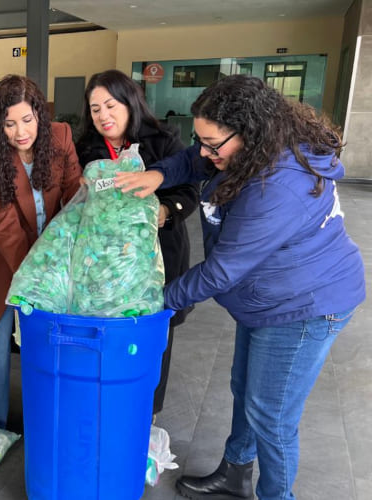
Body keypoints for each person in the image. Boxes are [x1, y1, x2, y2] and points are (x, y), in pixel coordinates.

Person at [115, 74, 365, 500]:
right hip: (266, 295)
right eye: (202, 140)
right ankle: (234, 474)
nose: (206, 153)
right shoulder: (245, 151)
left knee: (272, 416)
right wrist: (157, 176)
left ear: (251, 132)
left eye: (215, 144)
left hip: (305, 304)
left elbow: (220, 271)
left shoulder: (281, 186)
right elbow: (194, 160)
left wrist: (153, 303)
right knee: (245, 388)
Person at [75, 69, 198, 417]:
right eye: (95, 108)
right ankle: (106, 406)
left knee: (152, 334)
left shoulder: (163, 142)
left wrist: (164, 210)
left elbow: (189, 190)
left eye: (111, 105)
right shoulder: (87, 150)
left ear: (130, 103)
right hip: (104, 263)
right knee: (107, 331)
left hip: (157, 259)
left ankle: (144, 415)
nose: (103, 115)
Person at [0, 75, 82, 429]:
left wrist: (69, 253)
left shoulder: (60, 137)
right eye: (9, 124)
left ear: (39, 115)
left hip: (53, 249)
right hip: (2, 255)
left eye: (27, 120)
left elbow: (75, 192)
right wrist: (37, 281)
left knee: (54, 329)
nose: (20, 132)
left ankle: (53, 412)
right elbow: (6, 229)